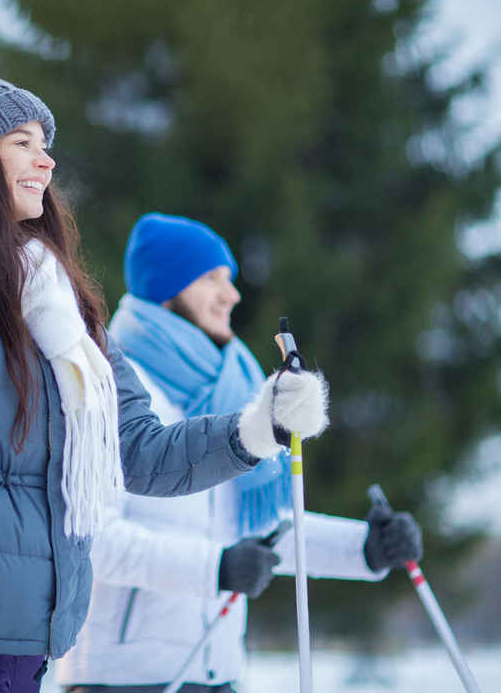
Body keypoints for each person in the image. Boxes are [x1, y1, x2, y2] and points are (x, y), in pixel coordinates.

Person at [0, 78, 329, 693]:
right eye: (22, 142)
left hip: (33, 640)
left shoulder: (62, 312)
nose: (46, 159)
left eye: (45, 143)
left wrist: (261, 425)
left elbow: (141, 453)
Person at [55, 214, 424, 693]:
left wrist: (365, 549)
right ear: (166, 289)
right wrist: (216, 568)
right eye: (211, 279)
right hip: (125, 679)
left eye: (229, 279)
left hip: (217, 672)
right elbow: (93, 541)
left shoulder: (231, 389)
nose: (231, 295)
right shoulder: (111, 387)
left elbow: (259, 532)